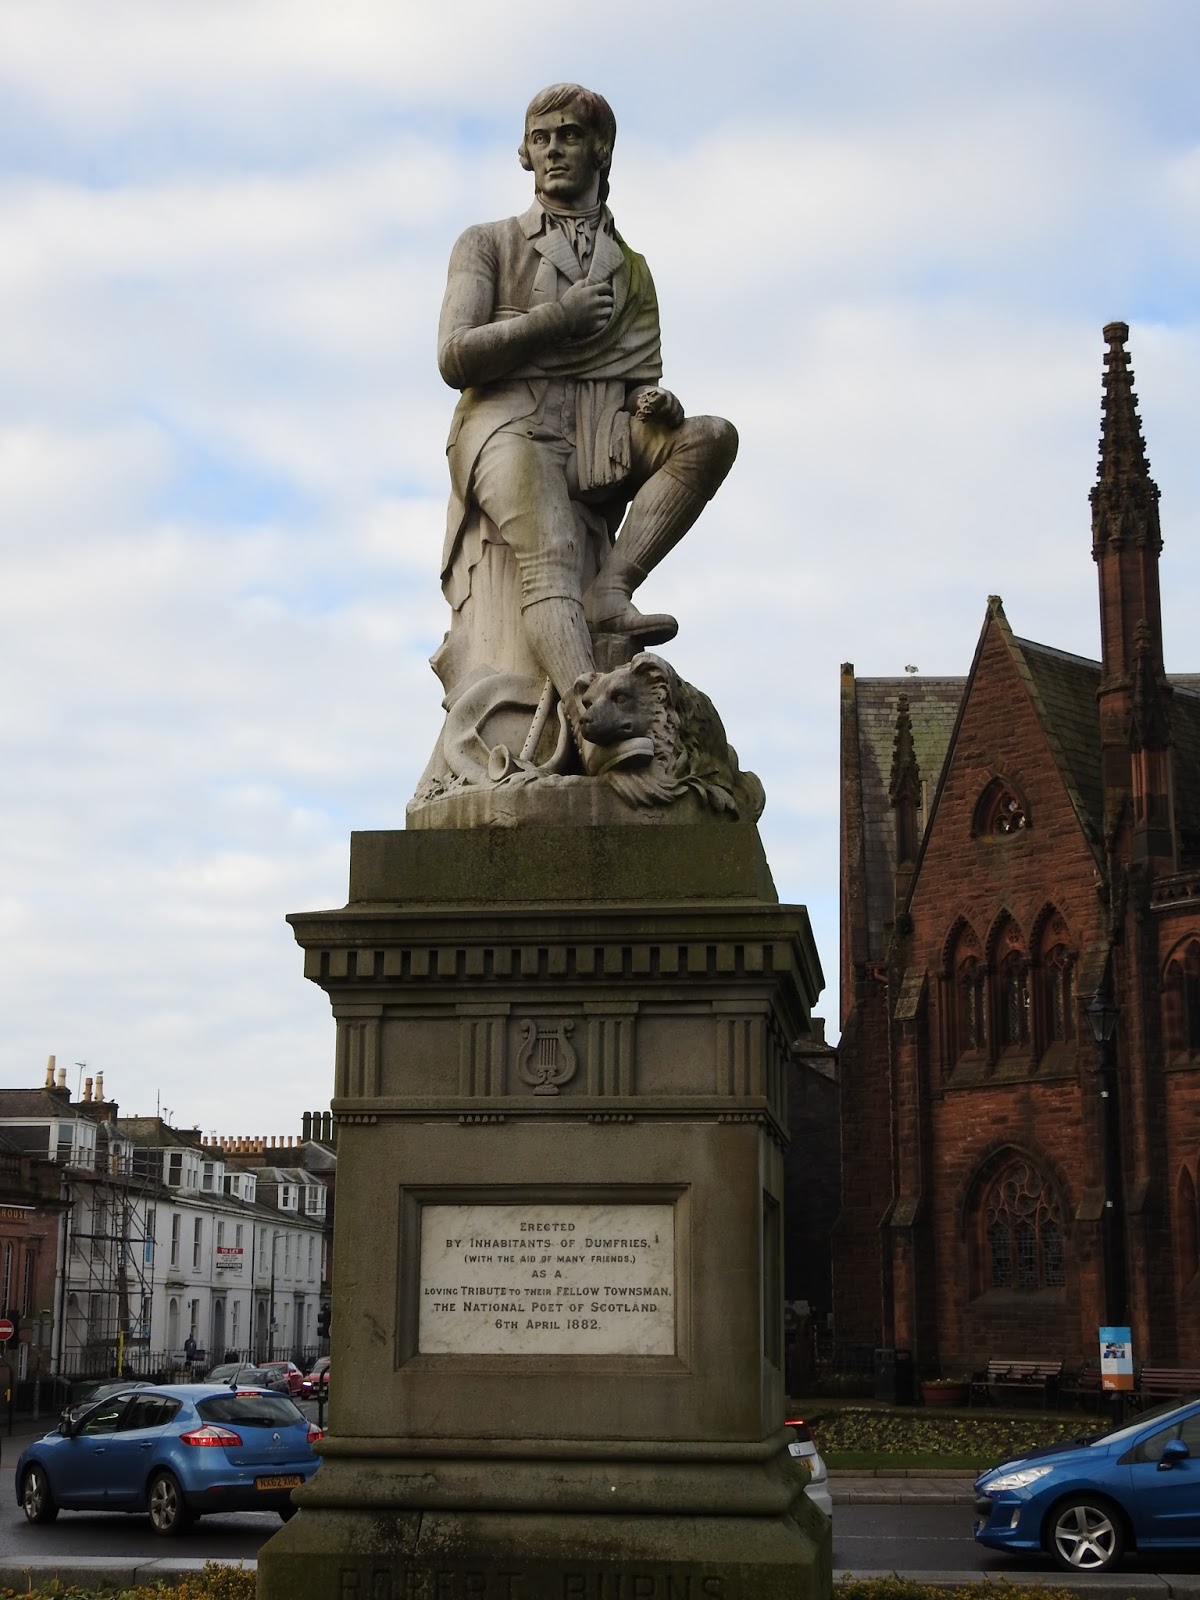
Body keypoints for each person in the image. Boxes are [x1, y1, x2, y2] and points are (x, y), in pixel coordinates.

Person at [437, 83, 737, 765]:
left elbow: (634, 376)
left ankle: (613, 589)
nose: (553, 151)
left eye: (568, 136)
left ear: (600, 149)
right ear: (525, 153)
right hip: (508, 421)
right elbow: (455, 357)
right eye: (540, 139)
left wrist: (653, 408)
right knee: (551, 554)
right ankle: (587, 712)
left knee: (710, 437)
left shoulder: (631, 270)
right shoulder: (486, 244)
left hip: (597, 429)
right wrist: (555, 322)